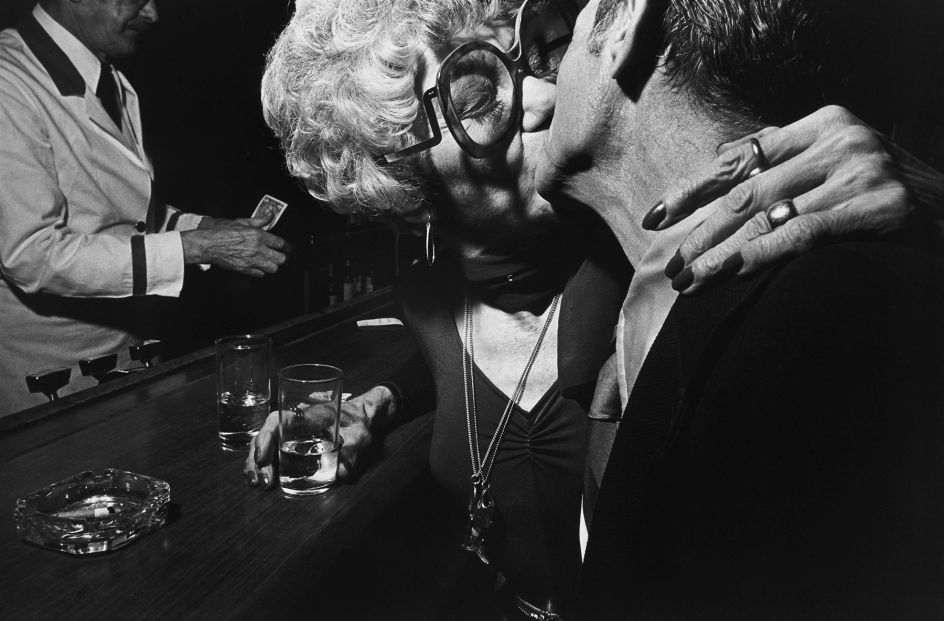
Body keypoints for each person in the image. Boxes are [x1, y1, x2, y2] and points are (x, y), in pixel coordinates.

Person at [248, 0, 942, 618]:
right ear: (405, 182)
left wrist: (924, 190)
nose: (541, 94)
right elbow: (450, 363)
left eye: (524, 63)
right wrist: (376, 401)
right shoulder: (430, 300)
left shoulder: (643, 249)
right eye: (479, 95)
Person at [535, 0, 944, 618]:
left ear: (624, 25)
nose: (538, 87)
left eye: (560, 44)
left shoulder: (823, 330)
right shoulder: (642, 307)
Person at [0, 0, 289, 414]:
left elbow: (124, 217)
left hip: (129, 356)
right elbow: (31, 255)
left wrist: (209, 227)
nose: (152, 14)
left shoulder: (104, 73)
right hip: (49, 382)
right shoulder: (8, 82)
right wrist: (197, 248)